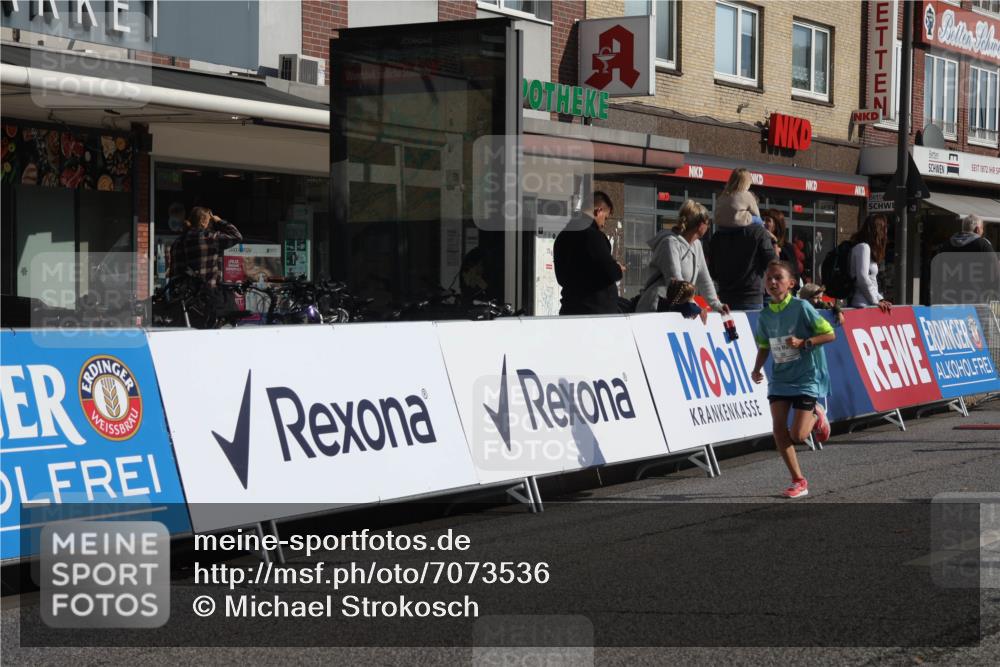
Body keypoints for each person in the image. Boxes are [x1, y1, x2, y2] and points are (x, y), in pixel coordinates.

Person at [751, 260, 835, 499]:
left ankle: (817, 414)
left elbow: (829, 334)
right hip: (780, 378)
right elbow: (765, 345)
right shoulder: (765, 315)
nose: (773, 282)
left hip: (807, 375)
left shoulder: (802, 308)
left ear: (791, 283)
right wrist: (757, 368)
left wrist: (804, 343)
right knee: (779, 429)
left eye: (778, 278)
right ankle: (798, 480)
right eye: (769, 278)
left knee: (798, 436)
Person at [636, 200, 729, 315]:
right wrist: (694, 306)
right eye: (707, 223)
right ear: (700, 225)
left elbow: (704, 280)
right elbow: (675, 282)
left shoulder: (697, 245)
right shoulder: (670, 243)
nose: (709, 226)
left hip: (676, 308)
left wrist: (717, 305)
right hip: (655, 308)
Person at [553, 191, 625, 315]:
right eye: (605, 218)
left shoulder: (562, 236)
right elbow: (610, 272)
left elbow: (561, 279)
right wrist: (617, 268)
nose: (603, 224)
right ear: (599, 211)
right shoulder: (593, 236)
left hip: (570, 308)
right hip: (595, 312)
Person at [708, 192, 776, 311]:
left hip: (725, 297)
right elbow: (772, 263)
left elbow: (712, 270)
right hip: (751, 297)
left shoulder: (717, 236)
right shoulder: (758, 232)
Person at [169, 206, 242, 287]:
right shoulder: (209, 238)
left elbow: (173, 273)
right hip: (205, 294)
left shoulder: (177, 242)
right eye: (211, 221)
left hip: (181, 296)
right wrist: (220, 221)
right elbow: (237, 236)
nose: (212, 224)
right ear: (203, 222)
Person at [849, 213, 891, 312]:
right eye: (884, 227)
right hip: (862, 304)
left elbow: (871, 280)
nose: (886, 231)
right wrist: (876, 301)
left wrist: (880, 299)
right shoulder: (863, 247)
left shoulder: (866, 248)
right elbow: (862, 277)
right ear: (877, 229)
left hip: (868, 302)